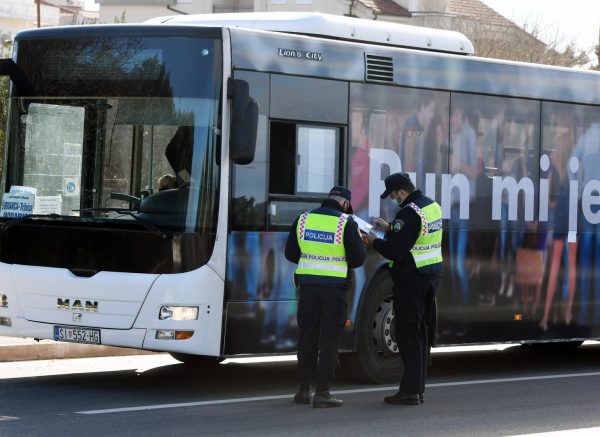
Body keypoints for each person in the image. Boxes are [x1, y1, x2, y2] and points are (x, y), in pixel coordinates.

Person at [285, 186, 366, 408]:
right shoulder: (345, 223)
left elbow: (290, 253)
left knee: (307, 336)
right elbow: (357, 260)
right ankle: (322, 392)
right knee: (329, 339)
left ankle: (304, 390)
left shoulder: (303, 219)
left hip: (308, 288)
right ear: (346, 204)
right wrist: (359, 243)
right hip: (334, 290)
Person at [367, 172, 443, 405]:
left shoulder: (408, 213)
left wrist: (375, 241)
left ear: (402, 191)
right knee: (420, 334)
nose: (394, 200)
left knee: (408, 335)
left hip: (411, 281)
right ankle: (418, 389)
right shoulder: (431, 206)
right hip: (430, 277)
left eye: (393, 196)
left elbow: (396, 251)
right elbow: (417, 236)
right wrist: (391, 228)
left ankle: (409, 391)